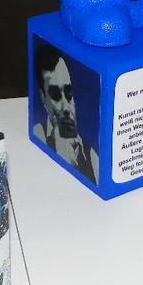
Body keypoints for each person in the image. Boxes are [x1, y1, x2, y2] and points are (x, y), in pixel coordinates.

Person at [32, 44, 98, 183]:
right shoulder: (39, 134)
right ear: (44, 99)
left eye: (68, 94)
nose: (66, 107)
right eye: (55, 95)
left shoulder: (91, 155)